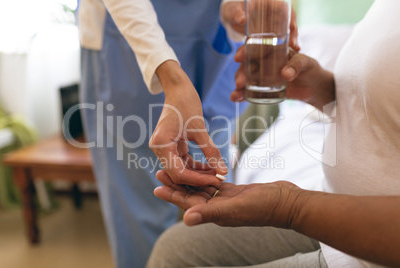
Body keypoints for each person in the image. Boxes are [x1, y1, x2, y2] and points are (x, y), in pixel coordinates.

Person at [147, 0, 400, 267]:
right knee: (175, 250)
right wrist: (322, 90)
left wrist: (290, 207)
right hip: (340, 210)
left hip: (376, 248)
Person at [77, 0, 253, 267]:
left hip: (217, 37)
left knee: (212, 203)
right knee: (139, 221)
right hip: (127, 37)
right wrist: (171, 78)